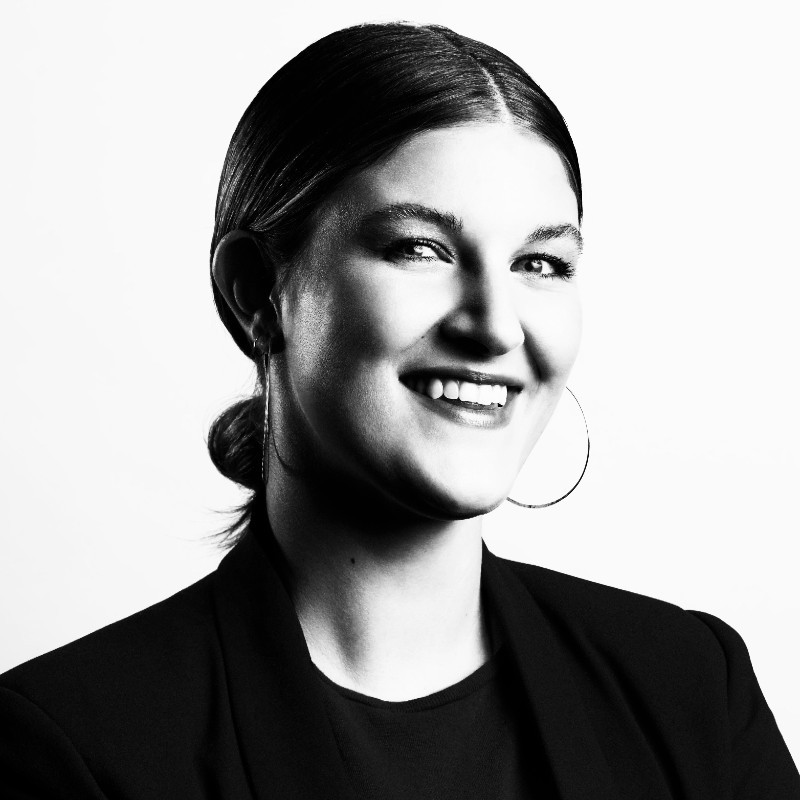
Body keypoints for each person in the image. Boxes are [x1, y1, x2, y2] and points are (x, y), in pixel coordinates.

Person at [1, 21, 797, 800]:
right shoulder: (70, 747)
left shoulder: (692, 688)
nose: (496, 325)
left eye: (540, 263)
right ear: (257, 292)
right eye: (420, 249)